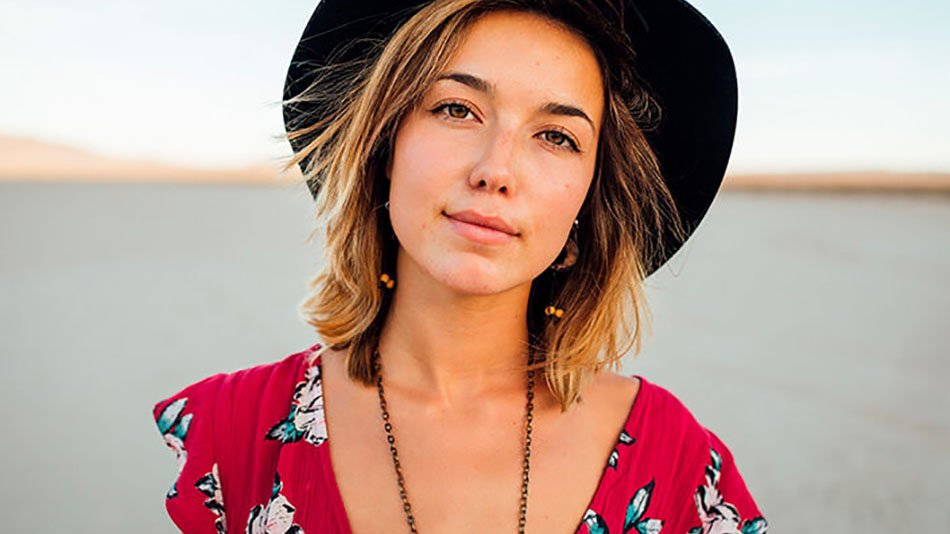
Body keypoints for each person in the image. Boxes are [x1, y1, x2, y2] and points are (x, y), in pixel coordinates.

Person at [152, 0, 769, 532]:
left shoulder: (680, 466)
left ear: (588, 199)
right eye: (456, 109)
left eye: (556, 136)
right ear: (384, 146)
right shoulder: (234, 437)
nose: (495, 171)